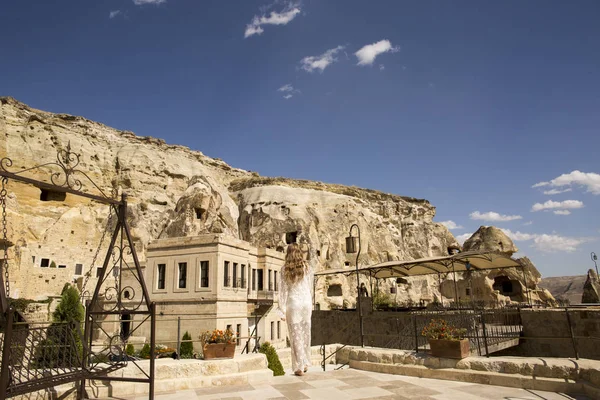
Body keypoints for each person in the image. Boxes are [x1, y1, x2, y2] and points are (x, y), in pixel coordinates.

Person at [277, 243, 314, 376]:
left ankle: (299, 367)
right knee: (305, 334)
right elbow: (310, 287)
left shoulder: (284, 269)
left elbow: (282, 291)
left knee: (295, 335)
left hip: (293, 304)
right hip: (306, 303)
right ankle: (305, 363)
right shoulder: (307, 267)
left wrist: (281, 309)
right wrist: (311, 302)